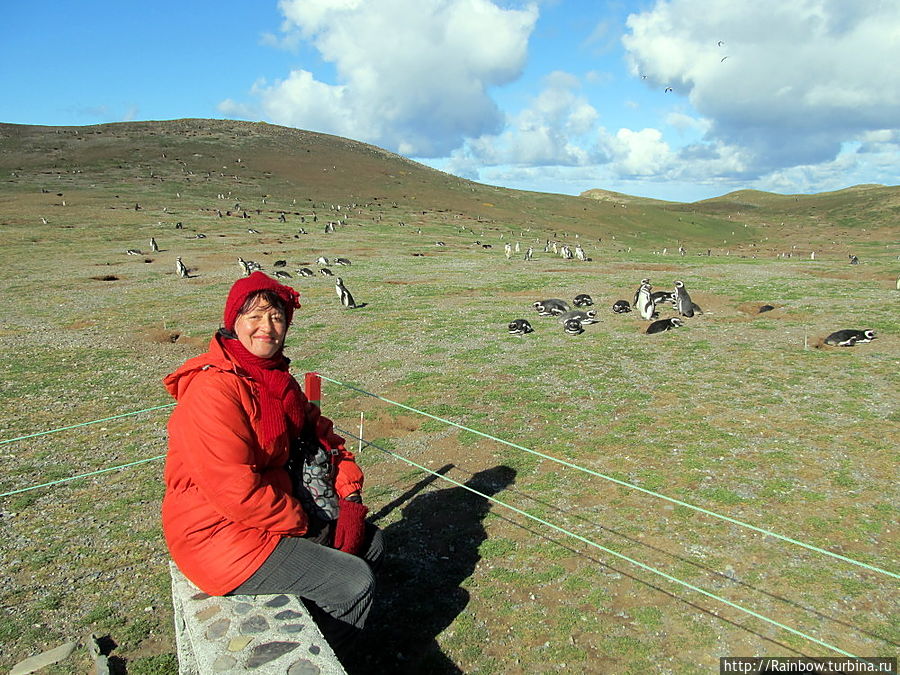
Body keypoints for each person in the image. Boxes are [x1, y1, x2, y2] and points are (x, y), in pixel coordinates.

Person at [162, 271, 383, 651]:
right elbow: (235, 491)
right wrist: (304, 525)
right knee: (353, 582)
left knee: (371, 541)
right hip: (218, 533)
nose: (267, 327)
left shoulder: (275, 380)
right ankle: (327, 654)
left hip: (265, 513)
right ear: (234, 321)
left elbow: (318, 434)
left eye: (277, 317)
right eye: (255, 316)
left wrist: (345, 483)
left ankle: (315, 617)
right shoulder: (214, 390)